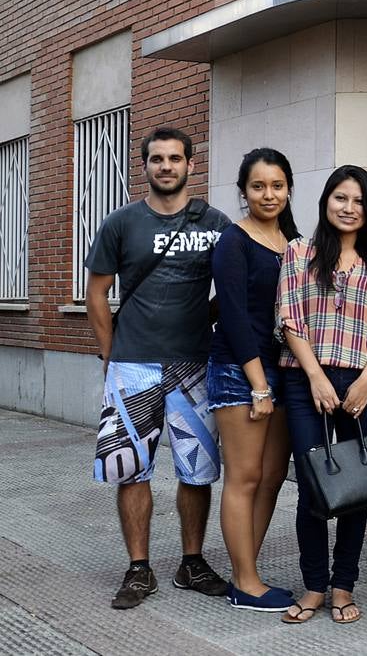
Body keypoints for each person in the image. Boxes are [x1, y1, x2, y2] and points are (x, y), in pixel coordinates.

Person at [87, 127, 231, 610]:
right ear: (144, 166)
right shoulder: (122, 223)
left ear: (191, 164)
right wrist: (111, 355)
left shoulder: (215, 222)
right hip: (133, 365)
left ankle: (192, 563)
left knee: (198, 471)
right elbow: (96, 292)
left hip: (195, 365)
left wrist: (203, 317)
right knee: (132, 470)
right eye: (156, 159)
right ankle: (138, 568)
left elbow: (230, 289)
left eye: (175, 158)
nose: (166, 166)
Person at [278, 166, 367, 625]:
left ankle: (343, 586)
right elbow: (289, 319)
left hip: (363, 378)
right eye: (340, 198)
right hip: (306, 378)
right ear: (326, 201)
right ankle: (313, 586)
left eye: (358, 202)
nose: (348, 209)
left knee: (355, 486)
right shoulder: (299, 252)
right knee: (313, 484)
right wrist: (316, 376)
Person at [207, 148, 299, 612]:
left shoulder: (295, 240)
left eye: (277, 185)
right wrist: (258, 384)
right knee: (243, 478)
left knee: (271, 477)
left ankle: (249, 570)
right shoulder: (234, 241)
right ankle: (244, 583)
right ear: (243, 191)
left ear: (288, 189)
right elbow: (235, 318)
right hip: (240, 372)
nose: (269, 194)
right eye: (258, 186)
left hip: (282, 372)